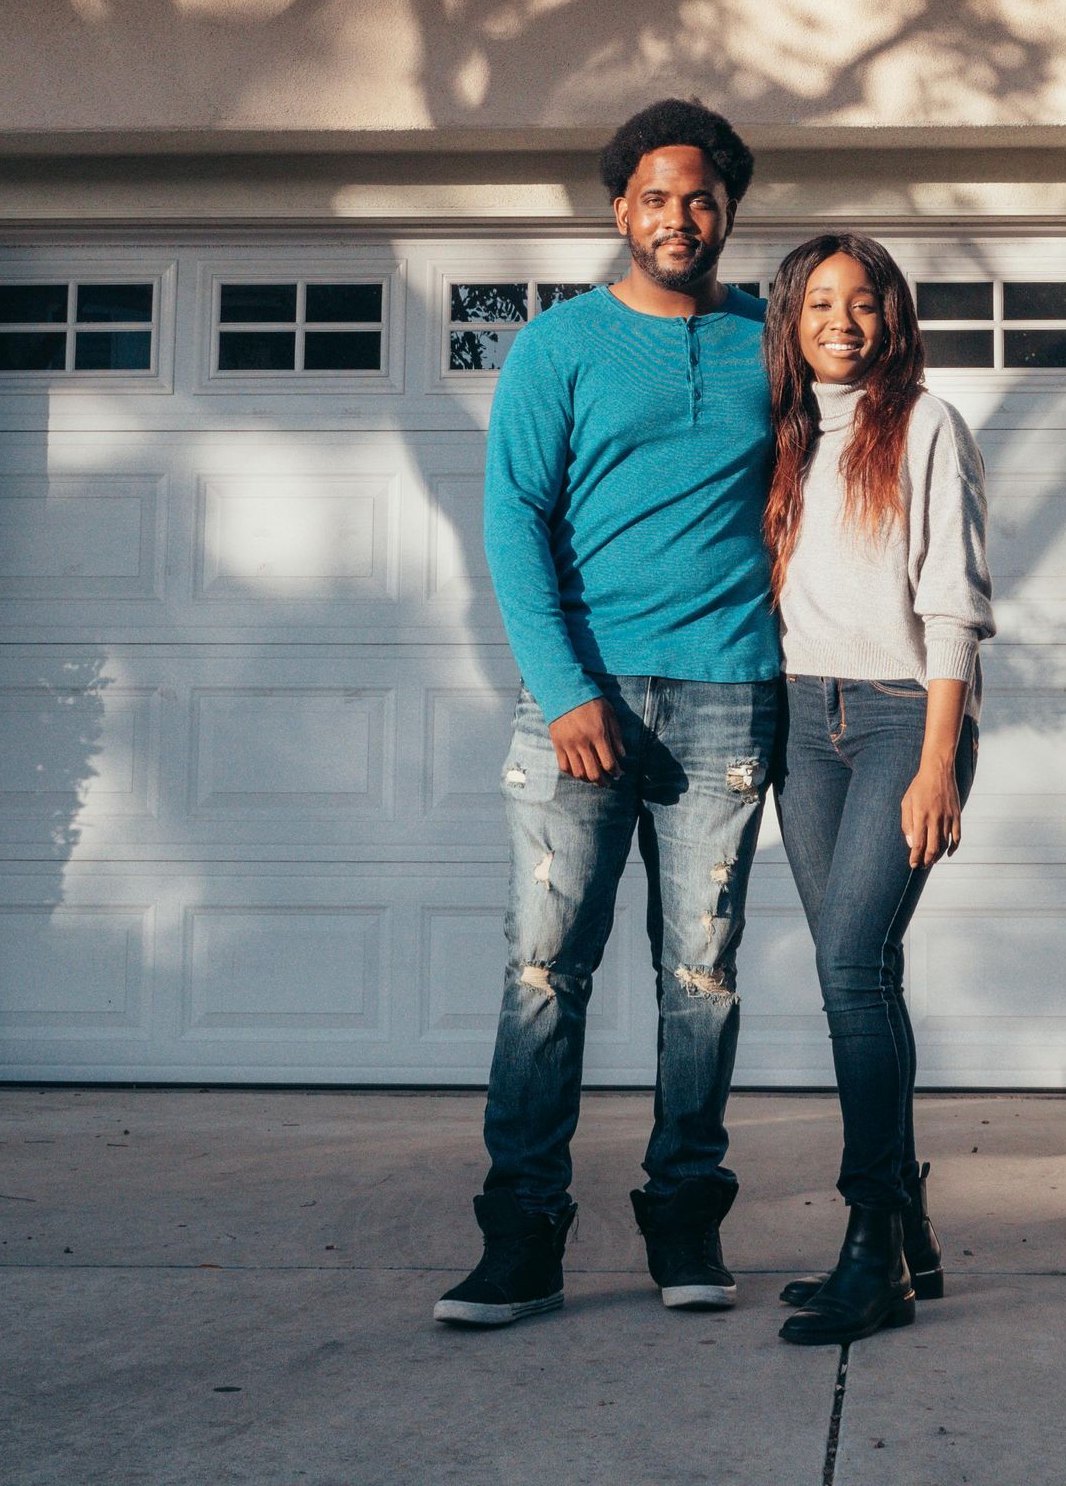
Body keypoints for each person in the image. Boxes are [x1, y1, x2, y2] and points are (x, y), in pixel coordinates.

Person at [434, 98, 780, 1330]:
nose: (677, 217)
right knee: (544, 973)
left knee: (703, 976)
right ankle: (522, 1233)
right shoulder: (561, 344)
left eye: (699, 195)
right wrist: (570, 690)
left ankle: (685, 1214)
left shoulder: (774, 341)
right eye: (653, 196)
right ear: (618, 208)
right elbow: (513, 522)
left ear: (729, 207)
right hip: (580, 699)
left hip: (731, 693)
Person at [762, 232, 995, 1347]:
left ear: (892, 316)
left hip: (905, 716)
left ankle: (874, 1247)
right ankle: (910, 1233)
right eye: (819, 303)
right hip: (803, 722)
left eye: (862, 301)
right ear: (791, 319)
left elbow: (953, 600)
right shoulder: (786, 434)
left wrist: (942, 757)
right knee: (859, 974)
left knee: (852, 970)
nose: (841, 320)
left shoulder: (927, 424)